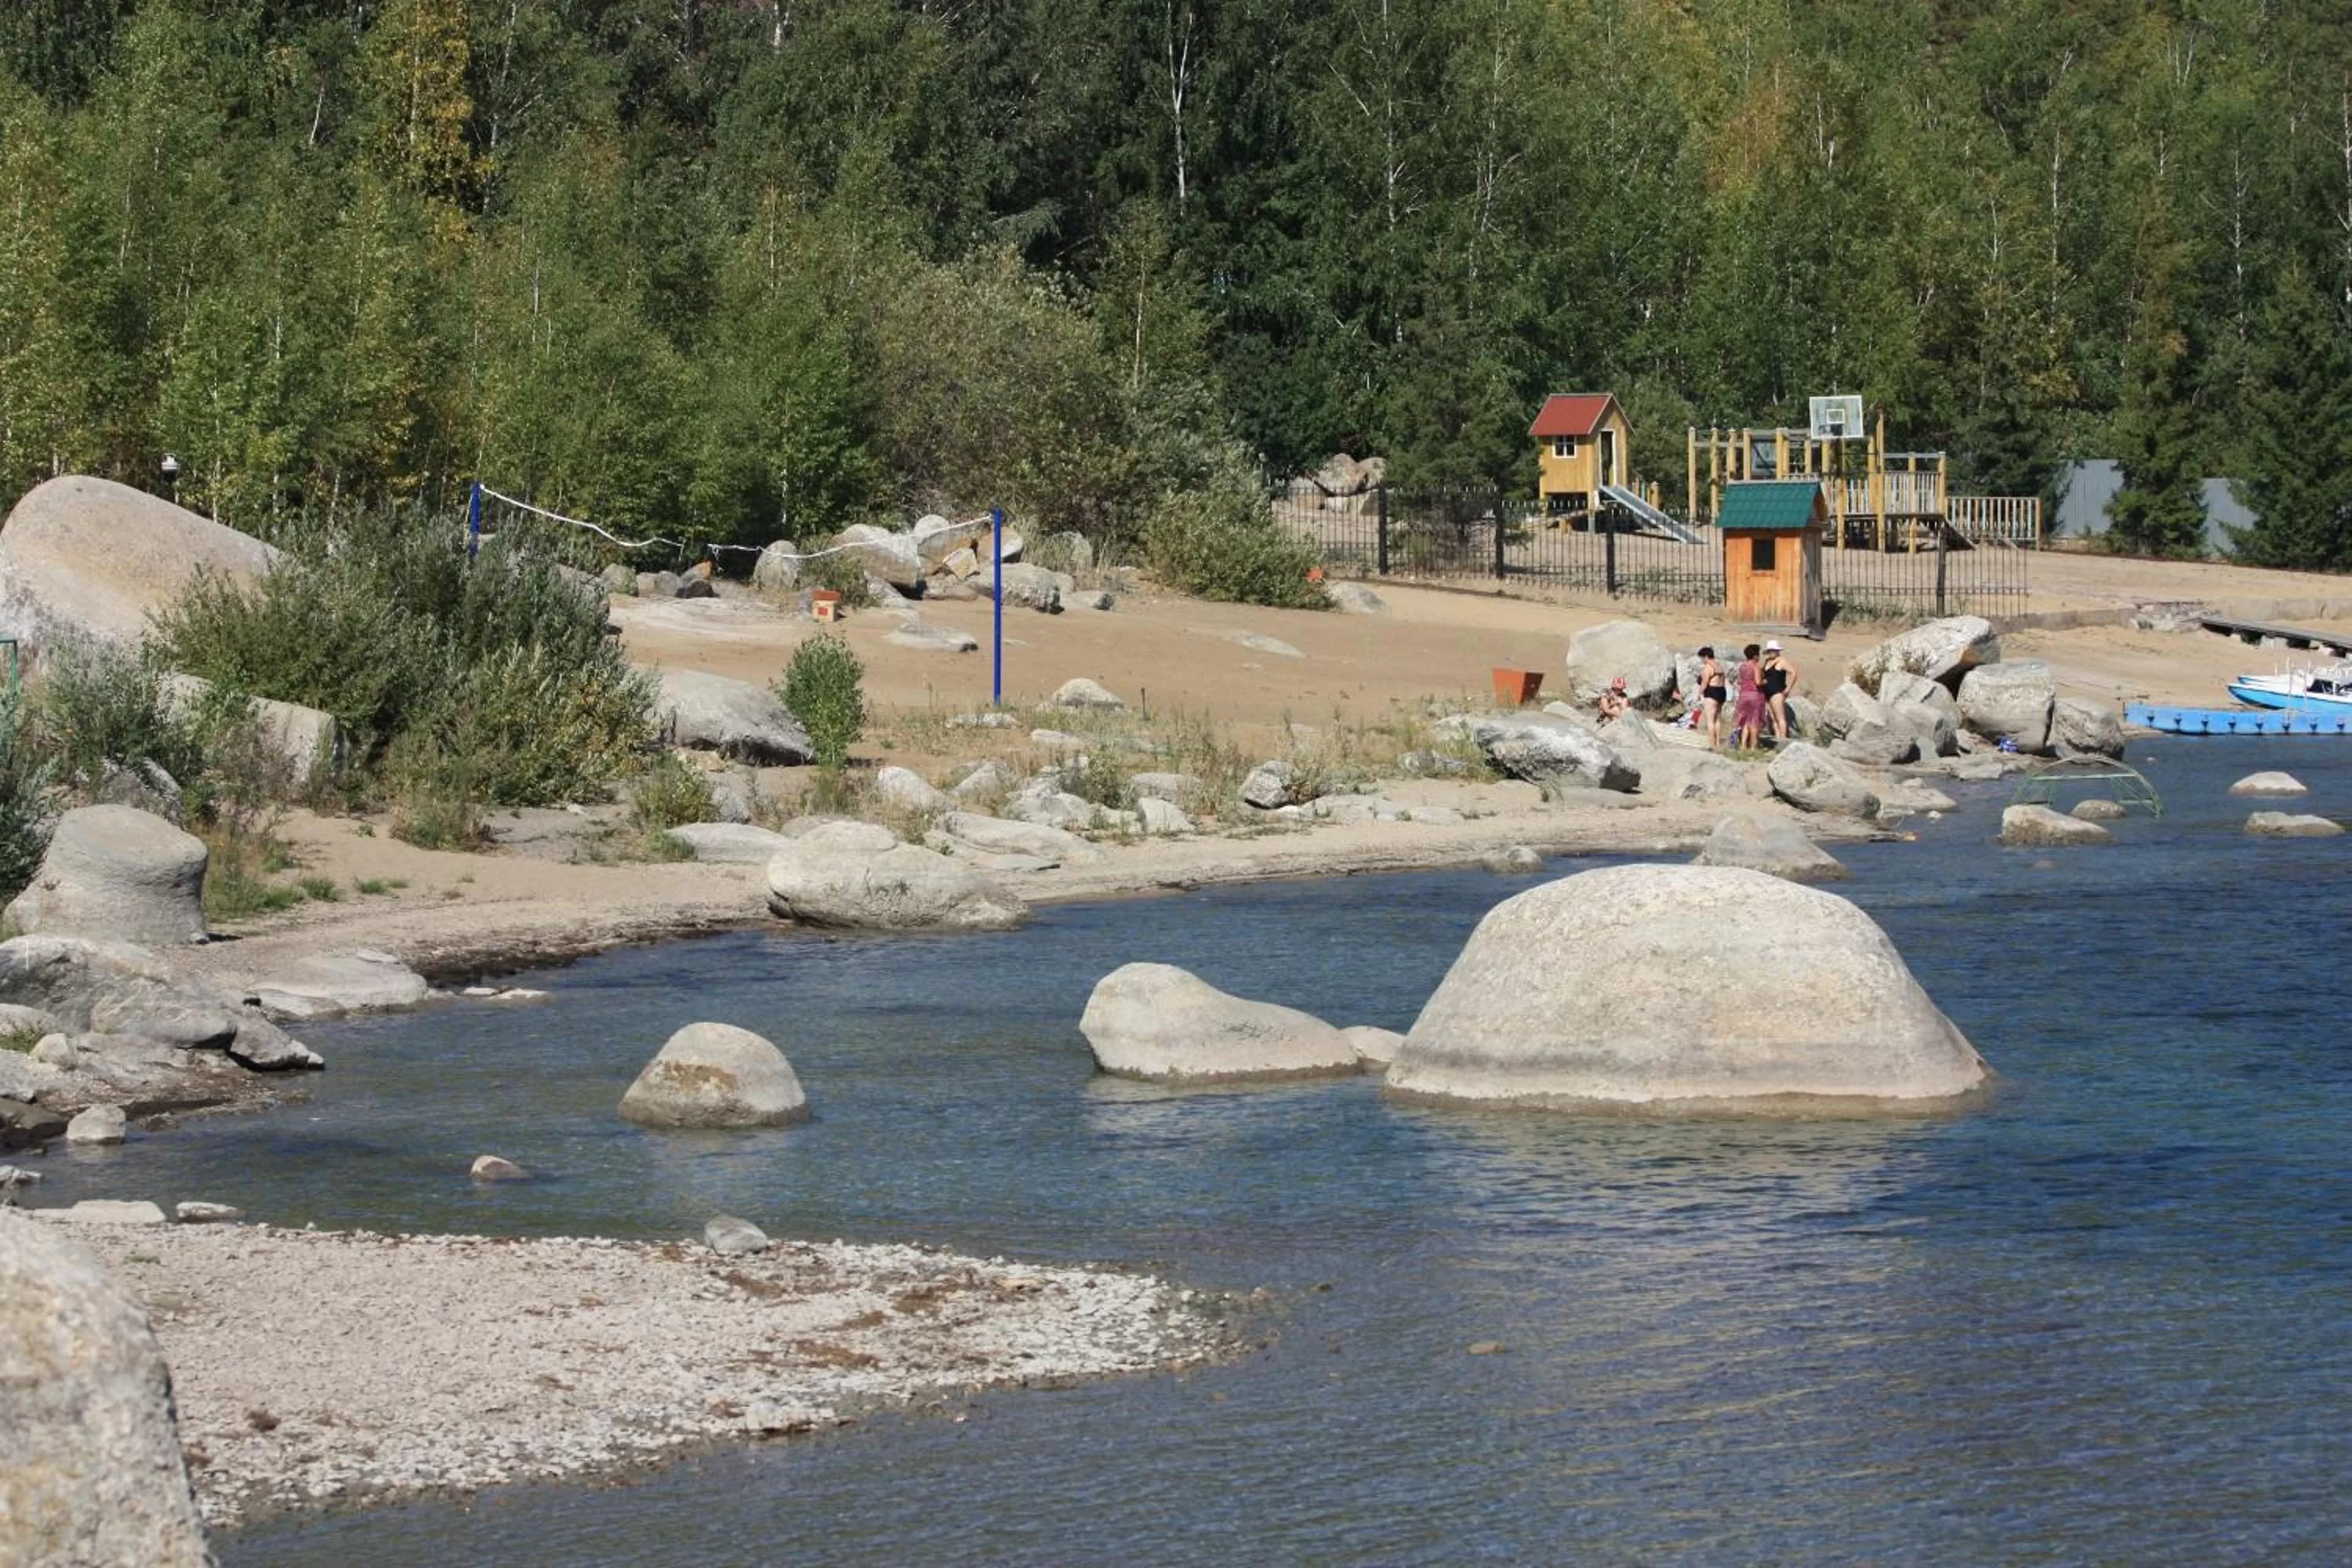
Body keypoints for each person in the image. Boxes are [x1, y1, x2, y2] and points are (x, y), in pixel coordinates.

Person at [1761, 640, 1798, 742]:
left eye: (1773, 650)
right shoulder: (1767, 661)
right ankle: (1778, 738)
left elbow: (1794, 673)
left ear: (1777, 651)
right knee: (1772, 717)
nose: (1771, 652)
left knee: (1779, 716)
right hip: (1767, 692)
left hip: (1777, 692)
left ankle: (1783, 739)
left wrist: (1788, 689)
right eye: (1770, 650)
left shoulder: (1782, 661)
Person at [1733, 643, 1766, 750]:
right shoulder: (1755, 667)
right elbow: (1758, 682)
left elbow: (1738, 681)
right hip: (1755, 695)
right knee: (1754, 721)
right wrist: (1765, 681)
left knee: (1745, 721)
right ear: (1755, 656)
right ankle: (1753, 746)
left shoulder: (1742, 666)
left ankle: (1743, 745)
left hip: (1744, 695)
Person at [1696, 644, 1727, 749]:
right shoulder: (1720, 666)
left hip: (1712, 692)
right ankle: (1718, 742)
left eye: (1701, 658)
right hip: (1722, 691)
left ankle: (1712, 744)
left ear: (1706, 657)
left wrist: (1699, 694)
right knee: (1718, 719)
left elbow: (1704, 684)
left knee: (1710, 720)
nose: (1702, 661)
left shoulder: (1707, 668)